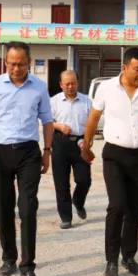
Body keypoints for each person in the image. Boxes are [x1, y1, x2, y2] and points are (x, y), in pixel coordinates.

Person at [82, 47, 138, 276]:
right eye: (137, 69)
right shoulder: (107, 87)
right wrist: (86, 145)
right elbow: (94, 117)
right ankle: (111, 260)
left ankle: (128, 256)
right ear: (125, 67)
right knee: (117, 205)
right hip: (114, 155)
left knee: (134, 208)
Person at [0, 41, 54, 276]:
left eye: (21, 64)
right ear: (5, 63)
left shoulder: (39, 87)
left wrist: (47, 151)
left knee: (28, 207)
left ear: (29, 63)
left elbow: (47, 121)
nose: (16, 68)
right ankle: (8, 258)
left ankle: (28, 266)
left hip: (28, 152)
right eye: (12, 64)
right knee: (4, 206)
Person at [49, 70, 93, 229]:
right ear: (61, 84)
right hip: (60, 143)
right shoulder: (53, 101)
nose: (70, 86)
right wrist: (58, 126)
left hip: (80, 143)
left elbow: (92, 124)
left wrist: (87, 141)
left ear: (77, 83)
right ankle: (66, 217)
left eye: (73, 83)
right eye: (67, 83)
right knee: (61, 182)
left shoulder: (87, 101)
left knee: (84, 180)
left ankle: (78, 201)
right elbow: (46, 122)